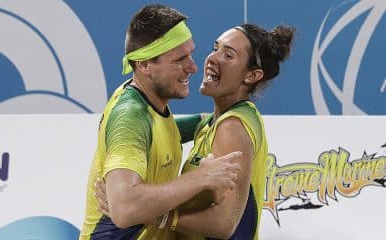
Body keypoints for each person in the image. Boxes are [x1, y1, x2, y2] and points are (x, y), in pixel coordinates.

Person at [96, 23, 295, 239]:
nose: (212, 58)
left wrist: (148, 214)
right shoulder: (215, 121)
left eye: (228, 55)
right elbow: (159, 133)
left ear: (252, 75)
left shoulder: (231, 128)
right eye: (215, 48)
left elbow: (225, 223)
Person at [79, 4, 242, 240]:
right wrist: (201, 178)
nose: (193, 67)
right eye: (180, 59)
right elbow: (124, 209)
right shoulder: (130, 117)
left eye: (191, 54)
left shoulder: (147, 104)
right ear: (144, 65)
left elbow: (159, 135)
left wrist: (206, 122)